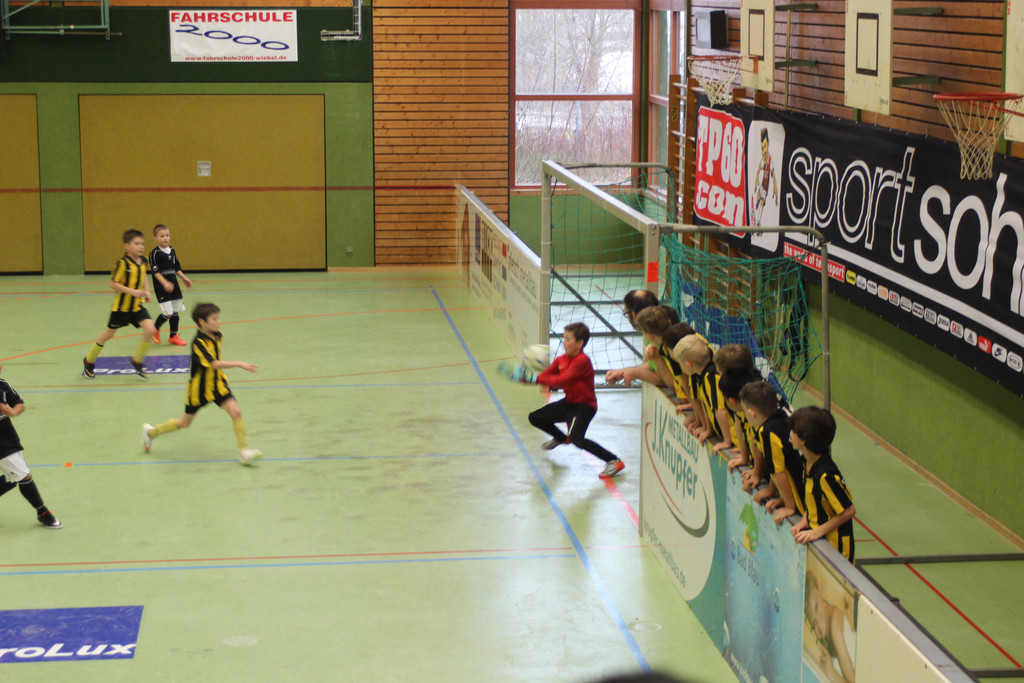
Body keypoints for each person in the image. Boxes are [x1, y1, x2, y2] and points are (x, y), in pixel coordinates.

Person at [141, 302, 262, 465]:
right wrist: (239, 363)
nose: (218, 322)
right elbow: (213, 363)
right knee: (184, 423)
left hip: (217, 384)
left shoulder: (218, 334)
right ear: (202, 322)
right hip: (199, 390)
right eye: (214, 319)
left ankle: (244, 452)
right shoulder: (198, 343)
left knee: (236, 412)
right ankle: (150, 433)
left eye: (218, 318)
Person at [529, 322, 625, 478]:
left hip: (584, 407)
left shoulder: (582, 361)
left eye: (568, 339)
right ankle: (561, 438)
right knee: (535, 417)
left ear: (580, 343)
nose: (564, 342)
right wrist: (526, 377)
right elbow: (547, 375)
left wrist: (535, 379)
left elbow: (563, 379)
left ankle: (614, 460)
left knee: (577, 439)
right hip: (569, 402)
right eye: (564, 338)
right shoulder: (561, 360)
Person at [82, 229, 158, 379]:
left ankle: (137, 360)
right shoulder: (122, 264)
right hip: (121, 309)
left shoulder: (143, 261)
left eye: (142, 244)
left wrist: (147, 291)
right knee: (108, 334)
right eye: (136, 244)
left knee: (150, 329)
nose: (141, 247)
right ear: (126, 246)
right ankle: (89, 360)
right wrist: (132, 291)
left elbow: (143, 275)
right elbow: (113, 283)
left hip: (137, 306)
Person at [789, 406, 856, 561]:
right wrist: (806, 518)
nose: (790, 434)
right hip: (820, 545)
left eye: (793, 431)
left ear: (803, 440)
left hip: (837, 551)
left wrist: (817, 532)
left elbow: (849, 510)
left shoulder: (826, 476)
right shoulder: (806, 462)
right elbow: (815, 499)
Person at [0, 364, 62, 529]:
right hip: (2, 447)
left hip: (8, 440)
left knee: (12, 479)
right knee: (24, 477)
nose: (0, 366)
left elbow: (19, 404)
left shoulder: (3, 385)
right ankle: (43, 512)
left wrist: (12, 412)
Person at [740, 380, 804, 525]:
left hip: (803, 498)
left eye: (744, 411)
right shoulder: (781, 418)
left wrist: (789, 506)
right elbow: (780, 463)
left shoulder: (766, 432)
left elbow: (778, 473)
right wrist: (775, 493)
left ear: (751, 413)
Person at [804, 571, 856, 683]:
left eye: (816, 607)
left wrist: (831, 672)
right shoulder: (823, 639)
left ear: (819, 588)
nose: (819, 625)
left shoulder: (834, 623)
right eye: (813, 624)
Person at [605, 289, 664, 387]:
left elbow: (664, 378)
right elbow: (652, 365)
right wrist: (624, 372)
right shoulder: (651, 330)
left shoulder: (658, 336)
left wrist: (636, 373)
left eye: (626, 314)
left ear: (634, 314)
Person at [149, 224, 193, 346]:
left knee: (175, 312)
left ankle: (173, 336)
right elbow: (156, 272)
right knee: (167, 313)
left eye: (167, 235)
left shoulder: (172, 250)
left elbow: (176, 268)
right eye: (162, 236)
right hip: (162, 287)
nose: (165, 238)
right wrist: (165, 283)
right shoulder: (155, 253)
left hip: (174, 286)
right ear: (155, 238)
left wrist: (185, 279)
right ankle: (155, 329)